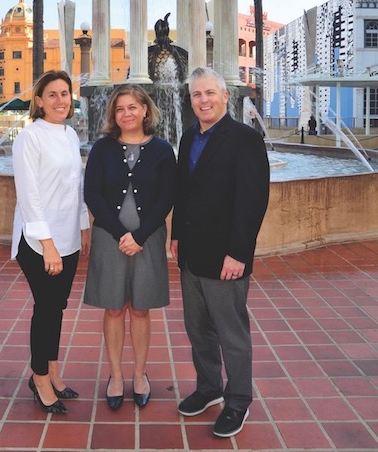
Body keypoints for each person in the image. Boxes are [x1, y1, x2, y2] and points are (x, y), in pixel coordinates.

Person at [170, 67, 270, 438]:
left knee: (232, 332)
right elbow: (185, 193)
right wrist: (176, 235)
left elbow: (253, 201)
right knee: (198, 329)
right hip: (192, 254)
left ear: (225, 96)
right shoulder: (188, 137)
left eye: (210, 93)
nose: (204, 100)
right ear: (191, 99)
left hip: (227, 256)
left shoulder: (244, 139)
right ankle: (209, 387)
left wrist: (239, 253)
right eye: (197, 94)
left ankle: (238, 398)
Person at [84, 84, 176, 410]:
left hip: (147, 241)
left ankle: (139, 374)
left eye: (133, 107)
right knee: (113, 308)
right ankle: (115, 375)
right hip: (110, 239)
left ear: (146, 111)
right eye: (120, 109)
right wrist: (120, 233)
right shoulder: (102, 149)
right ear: (114, 115)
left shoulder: (163, 150)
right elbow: (92, 194)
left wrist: (139, 236)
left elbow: (168, 196)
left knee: (140, 309)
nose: (127, 114)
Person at [12, 70, 90, 415]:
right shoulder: (30, 137)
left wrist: (83, 226)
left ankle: (52, 371)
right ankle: (39, 378)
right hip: (38, 241)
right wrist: (48, 243)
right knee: (45, 309)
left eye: (65, 93)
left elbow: (77, 186)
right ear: (39, 101)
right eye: (53, 94)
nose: (61, 100)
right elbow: (29, 195)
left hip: (68, 236)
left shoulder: (71, 135)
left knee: (57, 308)